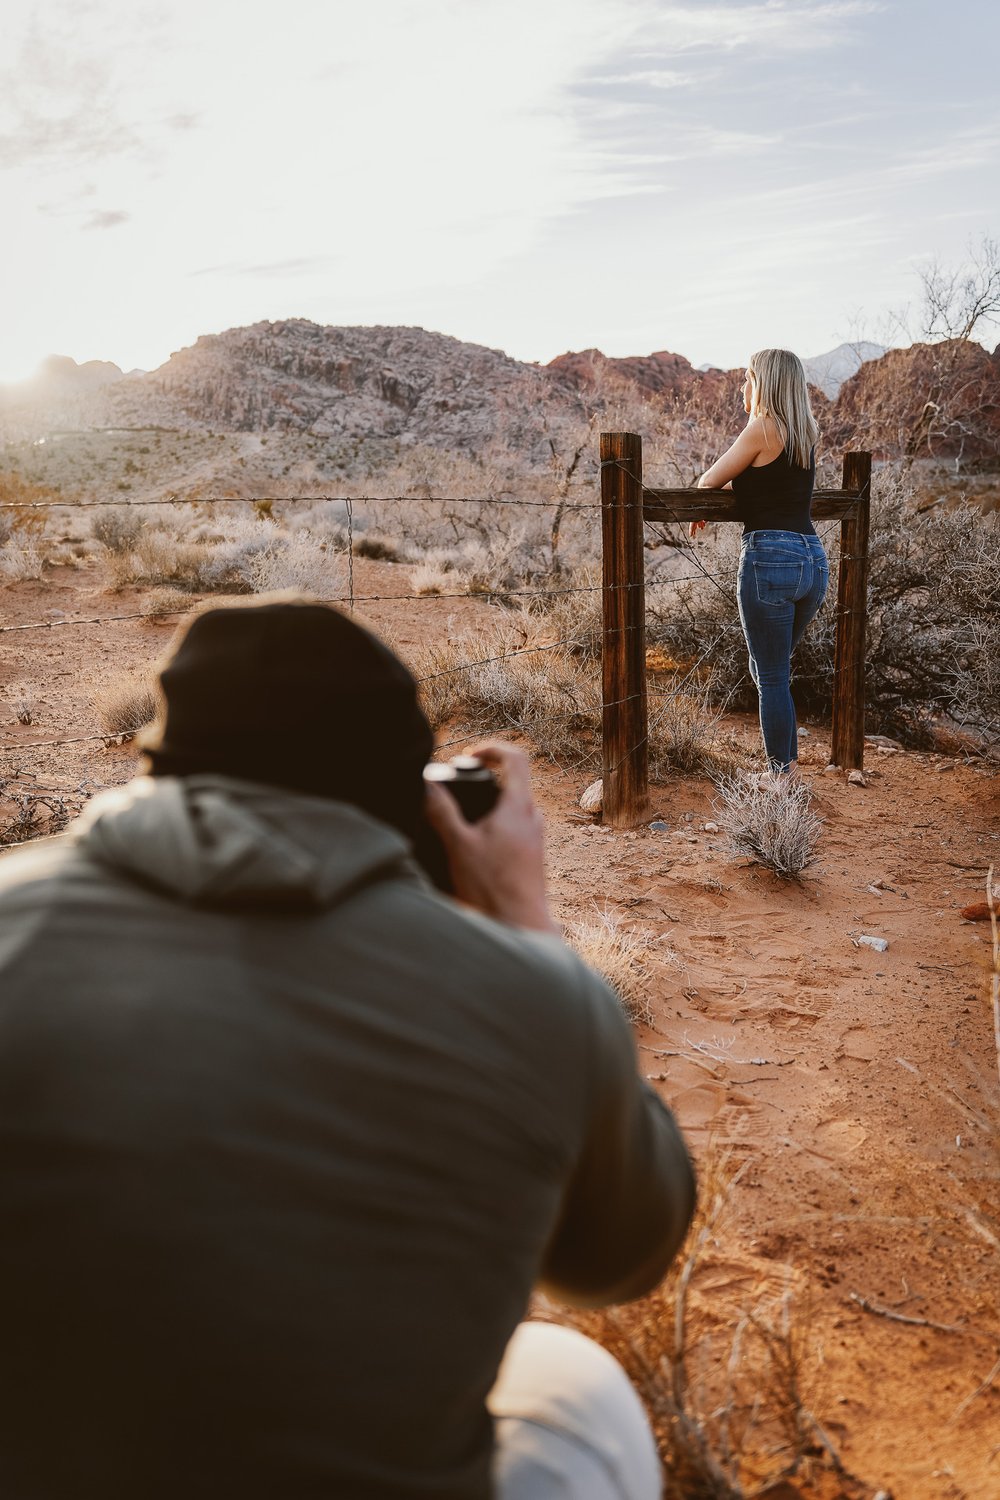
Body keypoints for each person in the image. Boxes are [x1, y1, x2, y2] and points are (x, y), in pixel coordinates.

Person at [0, 596, 695, 1500]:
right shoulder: (533, 997)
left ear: (162, 756)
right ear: (416, 805)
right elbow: (616, 1262)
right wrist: (528, 925)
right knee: (577, 1386)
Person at [690, 348, 829, 776]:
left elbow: (709, 479)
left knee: (770, 676)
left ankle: (781, 778)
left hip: (770, 557)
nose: (743, 387)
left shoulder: (761, 429)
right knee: (772, 670)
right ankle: (786, 768)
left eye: (748, 378)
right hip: (813, 559)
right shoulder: (805, 431)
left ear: (764, 382)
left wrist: (708, 498)